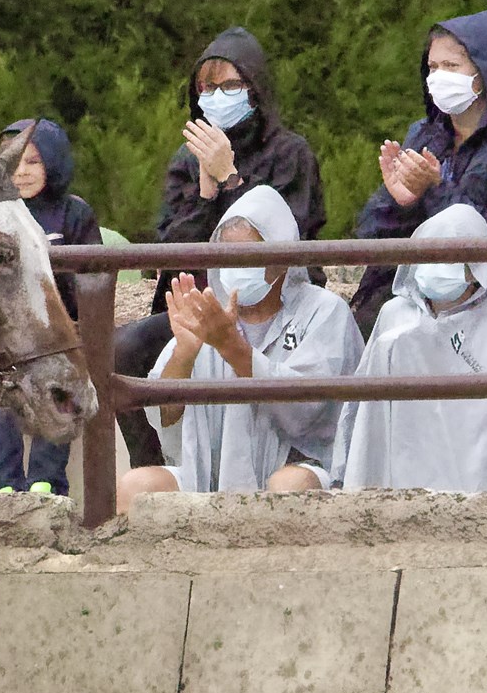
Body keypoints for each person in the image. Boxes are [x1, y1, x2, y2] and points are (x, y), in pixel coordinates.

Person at [112, 26, 326, 468]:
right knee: (122, 350)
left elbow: (284, 237)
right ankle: (153, 467)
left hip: (274, 311)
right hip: (199, 307)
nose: (216, 96)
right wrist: (206, 195)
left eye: (231, 85)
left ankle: (297, 467)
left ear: (256, 89)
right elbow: (167, 253)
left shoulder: (291, 153)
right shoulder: (185, 160)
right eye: (207, 87)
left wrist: (231, 180)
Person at [116, 184, 358, 512]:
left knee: (288, 487)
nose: (236, 267)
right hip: (209, 473)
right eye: (228, 255)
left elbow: (307, 416)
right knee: (135, 487)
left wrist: (232, 348)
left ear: (282, 258)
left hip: (301, 465)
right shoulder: (207, 311)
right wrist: (184, 354)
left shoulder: (324, 311)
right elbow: (165, 419)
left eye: (248, 256)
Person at [330, 203, 487, 493]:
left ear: (477, 267)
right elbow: (363, 416)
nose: (439, 267)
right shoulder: (393, 317)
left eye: (453, 259)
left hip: (483, 483)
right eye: (432, 255)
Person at [353, 11, 487, 352]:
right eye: (432, 68)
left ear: (486, 72)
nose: (438, 78)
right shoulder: (426, 133)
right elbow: (371, 233)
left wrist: (436, 191)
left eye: (451, 67)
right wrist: (398, 202)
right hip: (423, 289)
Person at [0, 117, 102, 496]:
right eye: (13, 162)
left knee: (60, 391)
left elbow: (95, 275)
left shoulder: (74, 213)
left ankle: (46, 484)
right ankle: (2, 485)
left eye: (33, 162)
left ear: (54, 162)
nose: (21, 172)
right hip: (9, 333)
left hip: (63, 331)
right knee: (1, 390)